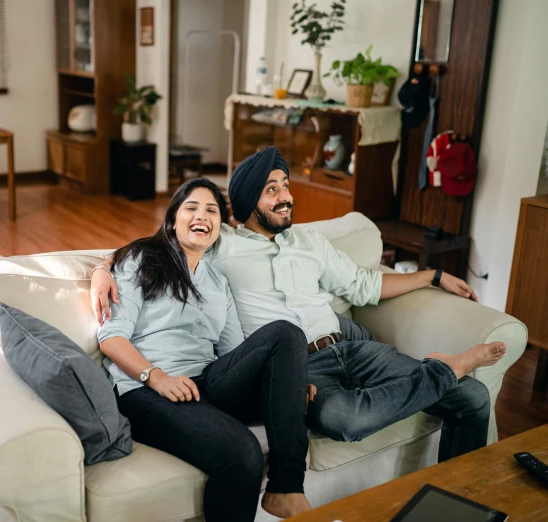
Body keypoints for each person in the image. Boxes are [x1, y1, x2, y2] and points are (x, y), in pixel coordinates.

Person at [92, 146, 506, 468]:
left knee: (471, 398)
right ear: (246, 201)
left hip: (352, 349)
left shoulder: (311, 243)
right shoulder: (222, 242)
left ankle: (456, 505)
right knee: (346, 420)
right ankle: (441, 370)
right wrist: (101, 269)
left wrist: (431, 276)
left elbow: (365, 285)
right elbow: (163, 241)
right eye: (272, 190)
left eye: (286, 186)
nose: (285, 197)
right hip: (298, 368)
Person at [98, 177, 315, 521]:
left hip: (206, 382)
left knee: (287, 335)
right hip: (145, 390)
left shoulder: (217, 281)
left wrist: (284, 382)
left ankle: (286, 488)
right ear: (171, 219)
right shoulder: (142, 258)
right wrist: (157, 378)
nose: (203, 215)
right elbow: (110, 338)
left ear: (219, 226)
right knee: (244, 454)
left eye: (212, 210)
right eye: (192, 207)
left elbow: (234, 354)